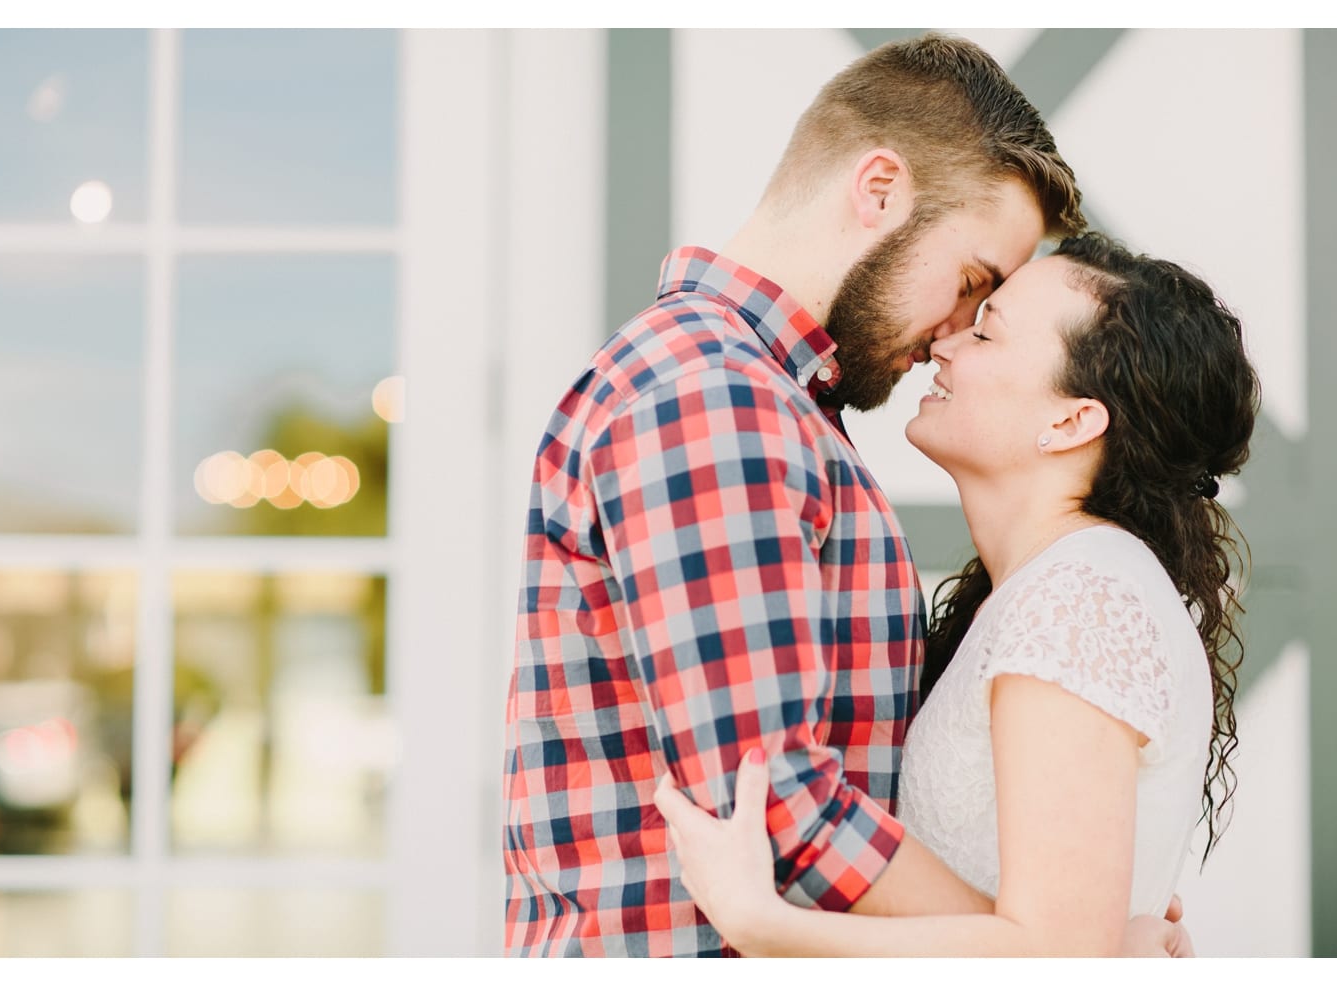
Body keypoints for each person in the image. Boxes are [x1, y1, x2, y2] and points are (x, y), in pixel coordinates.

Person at [501, 33, 1095, 957]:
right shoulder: (712, 396)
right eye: (972, 282)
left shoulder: (768, 400)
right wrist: (1059, 948)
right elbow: (778, 808)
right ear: (879, 189)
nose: (953, 334)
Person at [653, 232, 1259, 957]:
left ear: (1070, 421)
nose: (945, 345)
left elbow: (1058, 952)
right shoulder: (1047, 588)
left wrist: (765, 926)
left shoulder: (1081, 598)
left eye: (986, 331)